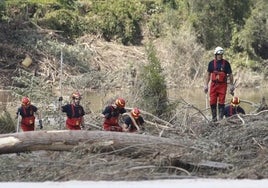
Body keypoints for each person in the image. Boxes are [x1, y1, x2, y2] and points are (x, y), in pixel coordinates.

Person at [204, 46, 235, 122]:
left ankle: (220, 119)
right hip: (213, 85)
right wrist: (206, 85)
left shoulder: (226, 63)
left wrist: (231, 85)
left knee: (221, 101)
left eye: (221, 54)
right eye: (218, 54)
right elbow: (208, 74)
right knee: (212, 101)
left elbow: (230, 75)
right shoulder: (211, 63)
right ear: (215, 54)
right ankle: (214, 119)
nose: (220, 56)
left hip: (222, 85)